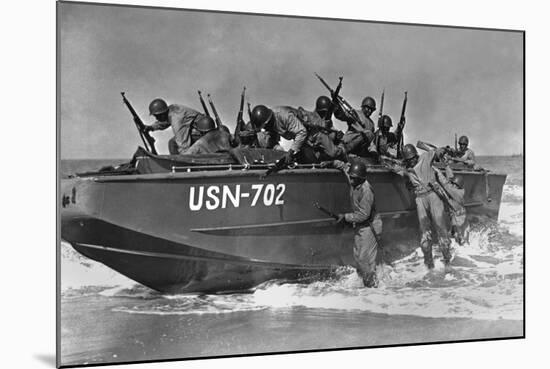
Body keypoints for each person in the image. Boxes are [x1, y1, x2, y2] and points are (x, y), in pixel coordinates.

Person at [388, 143, 452, 269]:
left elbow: (437, 151)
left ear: (416, 156)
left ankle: (447, 261)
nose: (411, 162)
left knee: (441, 228)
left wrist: (444, 149)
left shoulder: (425, 157)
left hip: (433, 196)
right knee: (424, 233)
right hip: (420, 199)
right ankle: (429, 264)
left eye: (412, 159)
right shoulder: (406, 169)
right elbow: (406, 182)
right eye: (408, 160)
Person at [322, 159, 382, 287]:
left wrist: (345, 217)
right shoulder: (353, 177)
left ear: (361, 178)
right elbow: (344, 166)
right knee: (358, 257)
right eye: (351, 177)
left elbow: (363, 215)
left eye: (354, 178)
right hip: (360, 226)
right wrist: (331, 163)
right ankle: (366, 285)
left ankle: (373, 288)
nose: (351, 180)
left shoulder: (366, 191)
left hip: (370, 227)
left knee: (365, 260)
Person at [296, 96, 347, 161]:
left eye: (327, 112)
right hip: (311, 148)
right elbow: (300, 112)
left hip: (322, 149)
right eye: (323, 112)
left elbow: (330, 134)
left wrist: (336, 136)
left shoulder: (327, 121)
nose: (325, 114)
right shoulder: (311, 117)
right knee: (335, 153)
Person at [434, 164, 469, 245]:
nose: (452, 185)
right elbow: (449, 180)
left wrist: (437, 171)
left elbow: (446, 185)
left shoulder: (456, 193)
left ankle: (462, 250)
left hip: (459, 218)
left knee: (460, 238)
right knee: (457, 234)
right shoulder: (459, 191)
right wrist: (447, 167)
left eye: (454, 184)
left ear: (457, 186)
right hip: (458, 216)